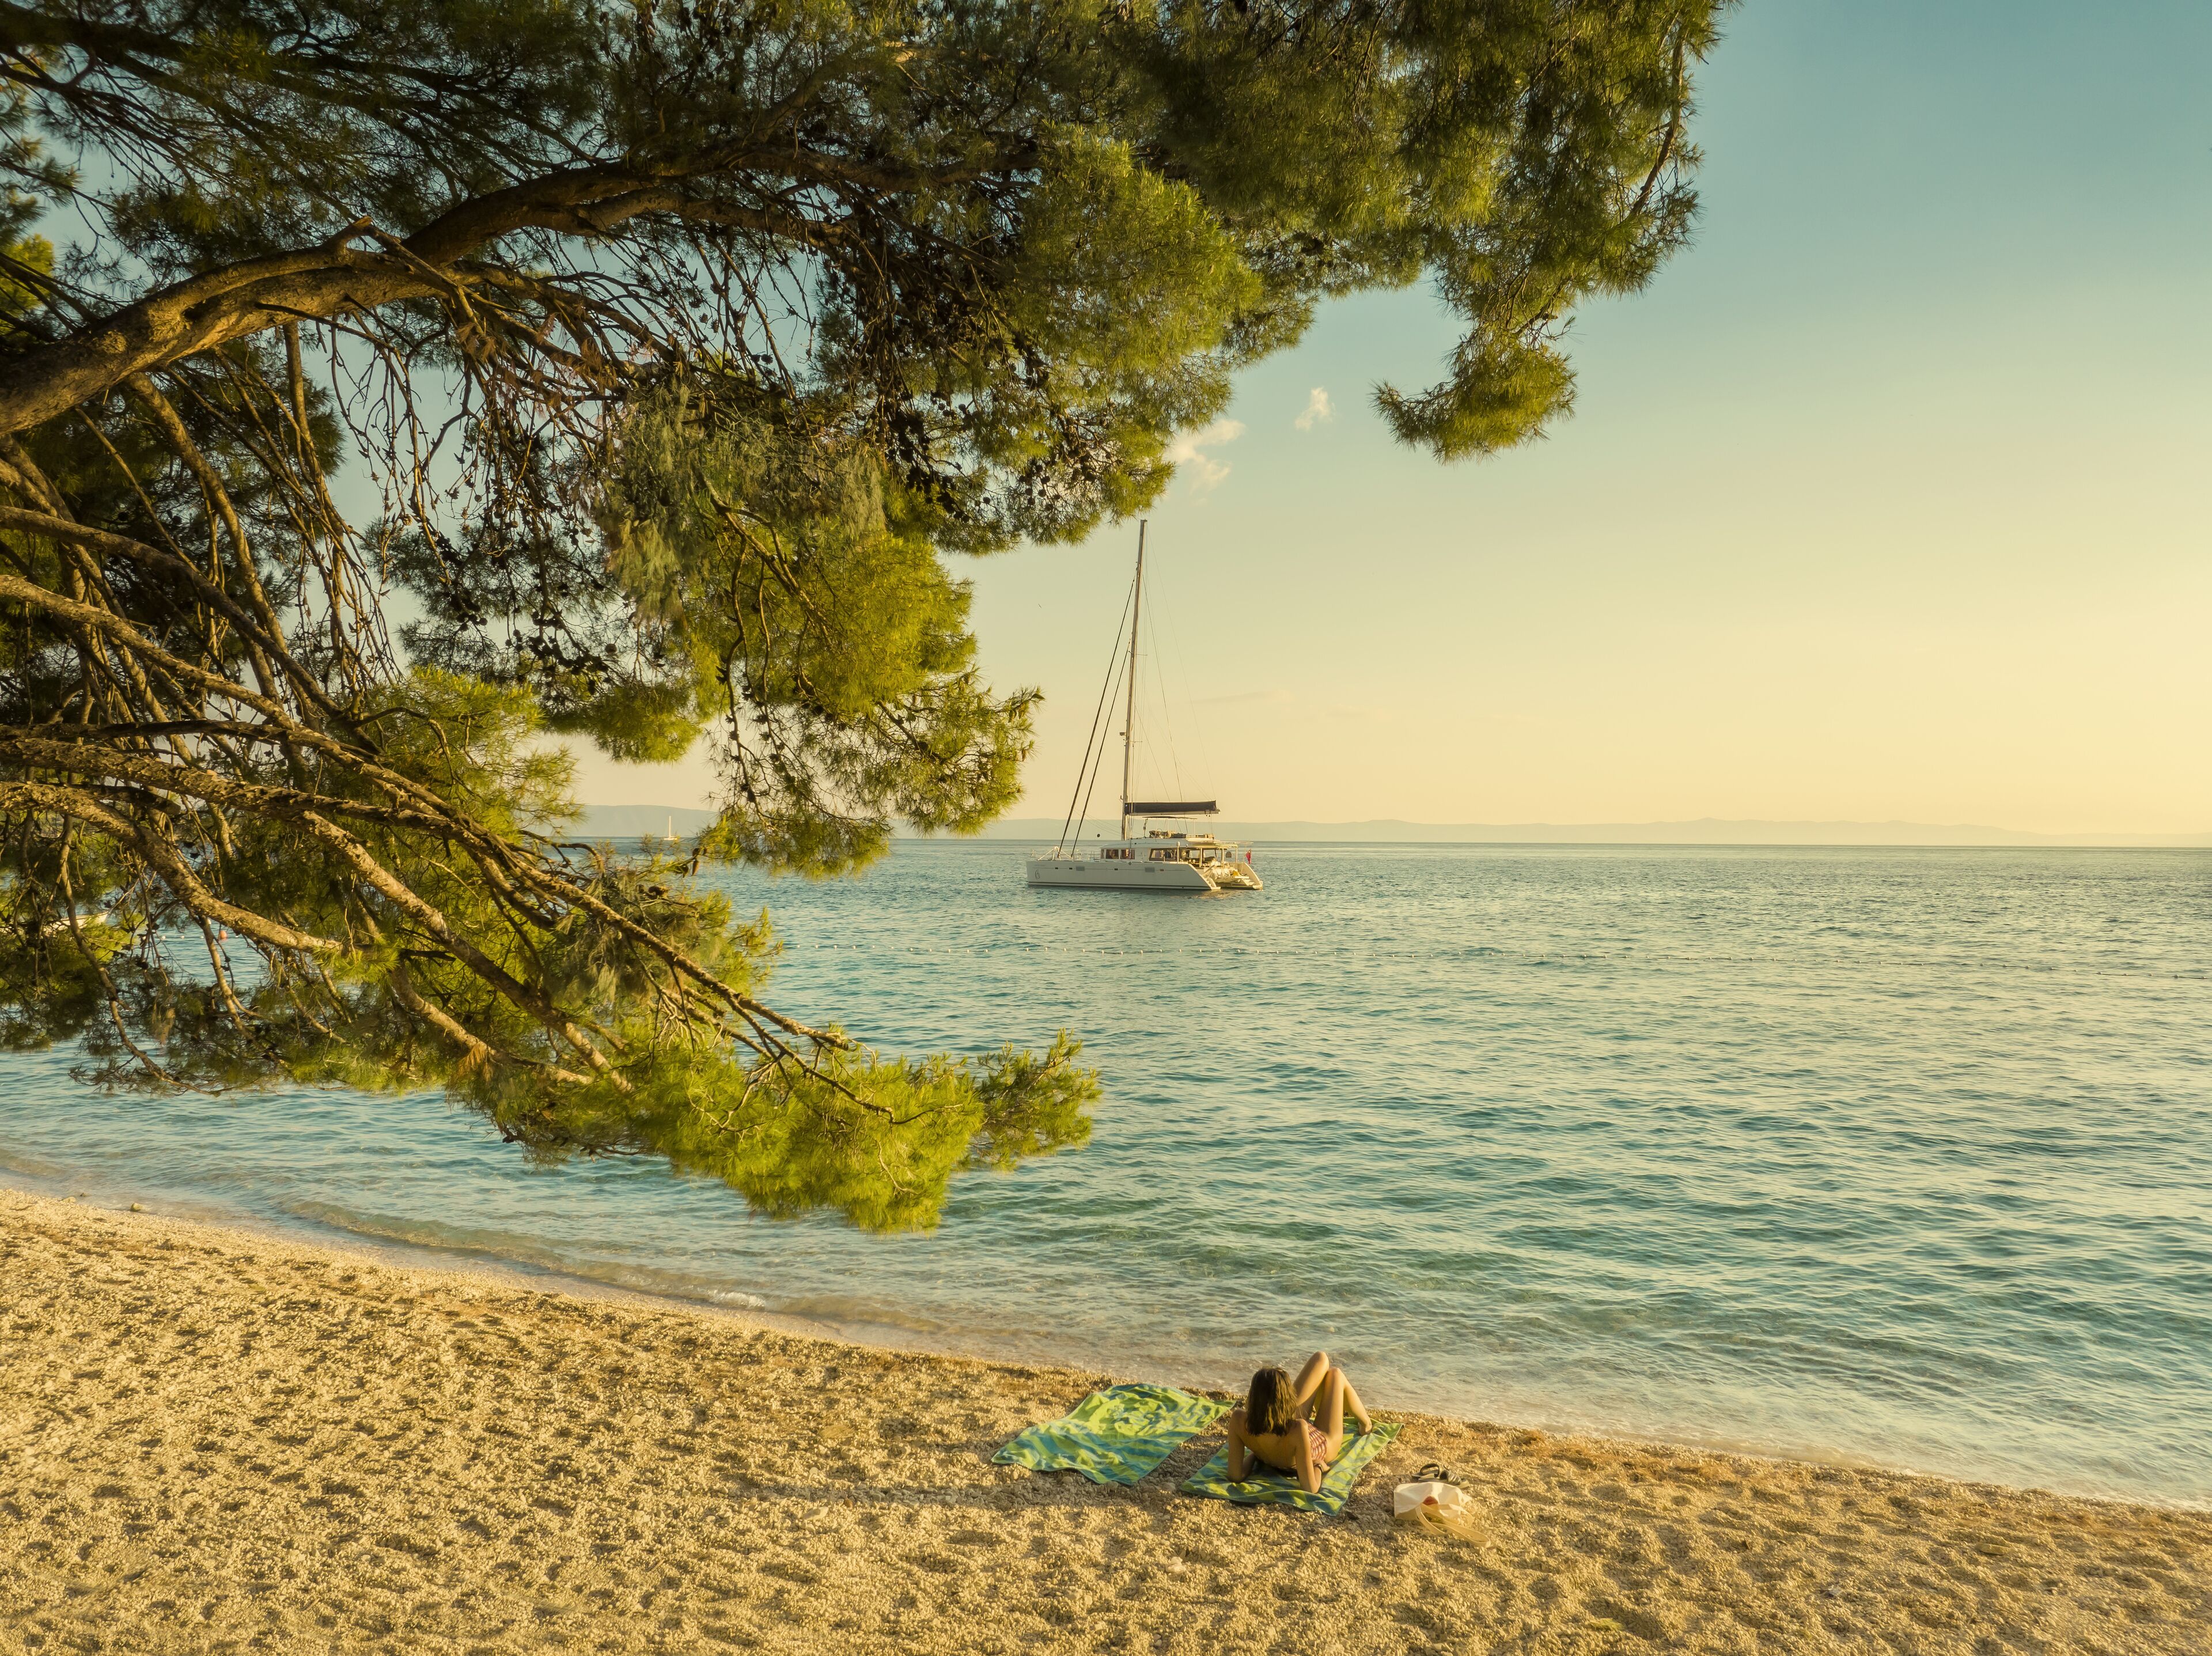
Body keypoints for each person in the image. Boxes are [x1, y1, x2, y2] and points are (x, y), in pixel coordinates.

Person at [1221, 1351, 1374, 1495]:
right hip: (1322, 1444)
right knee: (1335, 1375)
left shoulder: (1239, 1420)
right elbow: (1310, 1488)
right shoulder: (1298, 1428)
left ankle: (1326, 1403)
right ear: (1285, 1400)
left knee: (1321, 1358)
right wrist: (1319, 1465)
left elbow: (1236, 1475)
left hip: (1280, 1433)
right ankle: (1366, 1424)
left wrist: (1257, 1456)